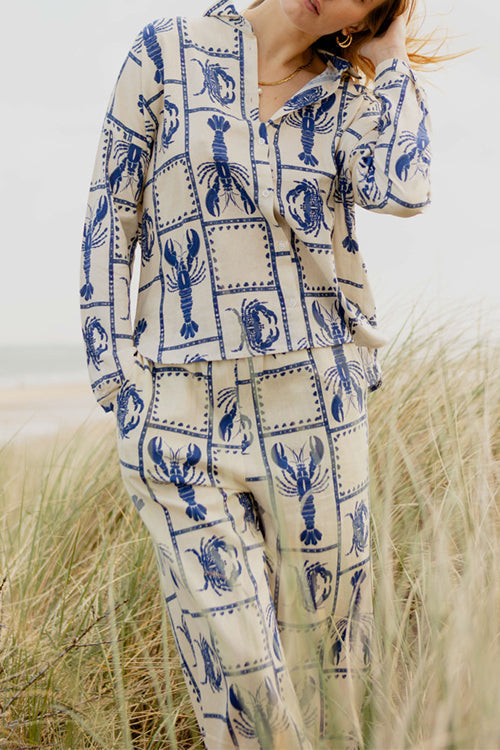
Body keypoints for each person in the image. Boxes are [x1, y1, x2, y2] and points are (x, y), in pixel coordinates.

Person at [80, 0, 431, 746]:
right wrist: (118, 382)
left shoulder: (348, 95)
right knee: (241, 693)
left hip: (318, 408)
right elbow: (110, 215)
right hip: (177, 415)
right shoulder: (167, 51)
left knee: (335, 680)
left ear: (364, 18)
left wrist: (391, 58)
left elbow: (403, 189)